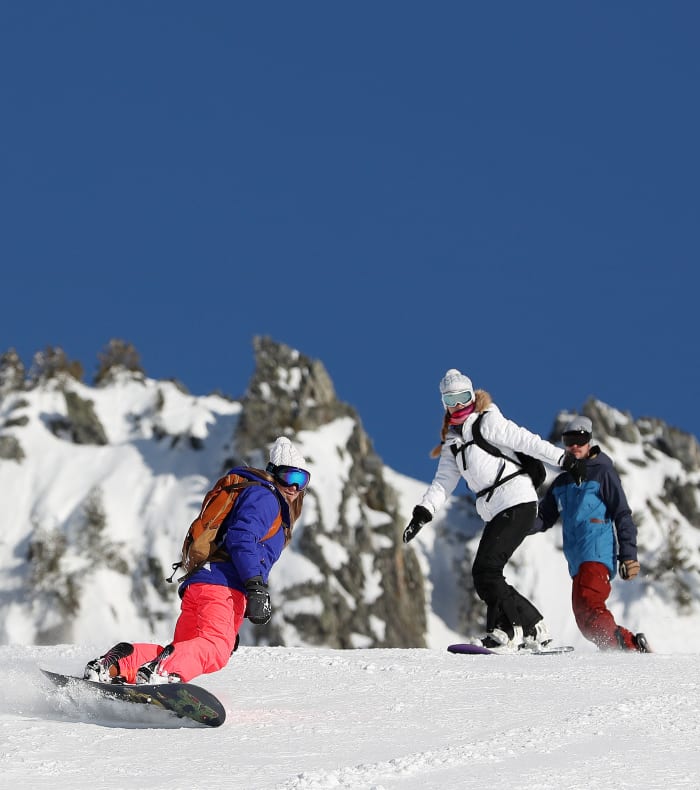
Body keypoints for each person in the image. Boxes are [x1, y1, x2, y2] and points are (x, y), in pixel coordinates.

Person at [83, 436, 310, 684]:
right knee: (214, 649)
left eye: (302, 480)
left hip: (204, 584)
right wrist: (255, 585)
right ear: (273, 472)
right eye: (290, 477)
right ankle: (160, 674)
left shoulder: (258, 495)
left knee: (185, 647)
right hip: (222, 585)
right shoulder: (266, 497)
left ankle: (115, 665)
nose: (295, 487)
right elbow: (242, 537)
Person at [403, 369, 585, 653]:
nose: (459, 405)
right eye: (451, 400)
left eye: (463, 397)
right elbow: (443, 482)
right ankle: (517, 630)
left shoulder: (488, 422)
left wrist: (565, 459)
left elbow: (527, 441)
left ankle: (520, 629)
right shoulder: (453, 444)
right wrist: (422, 513)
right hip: (497, 508)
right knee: (487, 572)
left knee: (486, 570)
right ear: (444, 405)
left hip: (517, 500)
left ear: (472, 396)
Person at [530, 416, 651, 652]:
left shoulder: (603, 473)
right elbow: (544, 518)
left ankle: (622, 649)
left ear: (590, 441)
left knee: (588, 606)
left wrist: (629, 554)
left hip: (596, 554)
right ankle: (631, 645)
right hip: (578, 561)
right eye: (569, 440)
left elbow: (622, 513)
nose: (575, 446)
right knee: (584, 617)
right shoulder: (562, 482)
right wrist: (515, 525)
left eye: (580, 439)